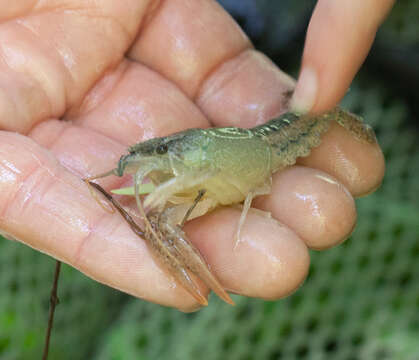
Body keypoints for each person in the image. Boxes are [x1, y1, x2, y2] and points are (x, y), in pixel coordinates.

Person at [0, 0, 393, 311]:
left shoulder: (220, 155)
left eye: (169, 148)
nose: (164, 157)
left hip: (286, 137)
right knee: (163, 212)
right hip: (243, 150)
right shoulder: (184, 165)